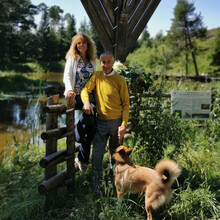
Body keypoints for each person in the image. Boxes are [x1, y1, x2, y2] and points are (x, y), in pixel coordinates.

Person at [80, 51, 130, 195]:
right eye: (103, 62)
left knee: (115, 157)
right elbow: (85, 90)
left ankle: (113, 184)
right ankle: (97, 188)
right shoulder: (96, 76)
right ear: (100, 62)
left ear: (113, 63)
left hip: (116, 123)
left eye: (108, 62)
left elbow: (126, 104)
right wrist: (86, 103)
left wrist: (123, 124)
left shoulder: (120, 80)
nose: (106, 65)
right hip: (100, 123)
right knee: (96, 156)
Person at [63, 33, 97, 171]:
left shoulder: (92, 60)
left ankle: (78, 135)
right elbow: (67, 76)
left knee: (91, 123)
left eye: (83, 42)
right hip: (75, 94)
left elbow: (95, 79)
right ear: (75, 46)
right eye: (78, 43)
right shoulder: (73, 58)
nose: (81, 45)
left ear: (88, 44)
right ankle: (82, 153)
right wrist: (69, 89)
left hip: (88, 95)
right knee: (90, 118)